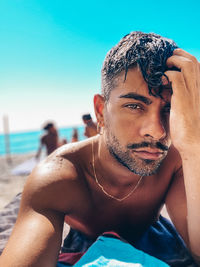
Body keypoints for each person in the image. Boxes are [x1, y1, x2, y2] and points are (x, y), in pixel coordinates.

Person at [1, 31, 200, 266]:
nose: (157, 131)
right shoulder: (60, 176)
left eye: (169, 109)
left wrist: (194, 147)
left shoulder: (176, 160)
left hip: (151, 230)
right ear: (100, 111)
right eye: (135, 106)